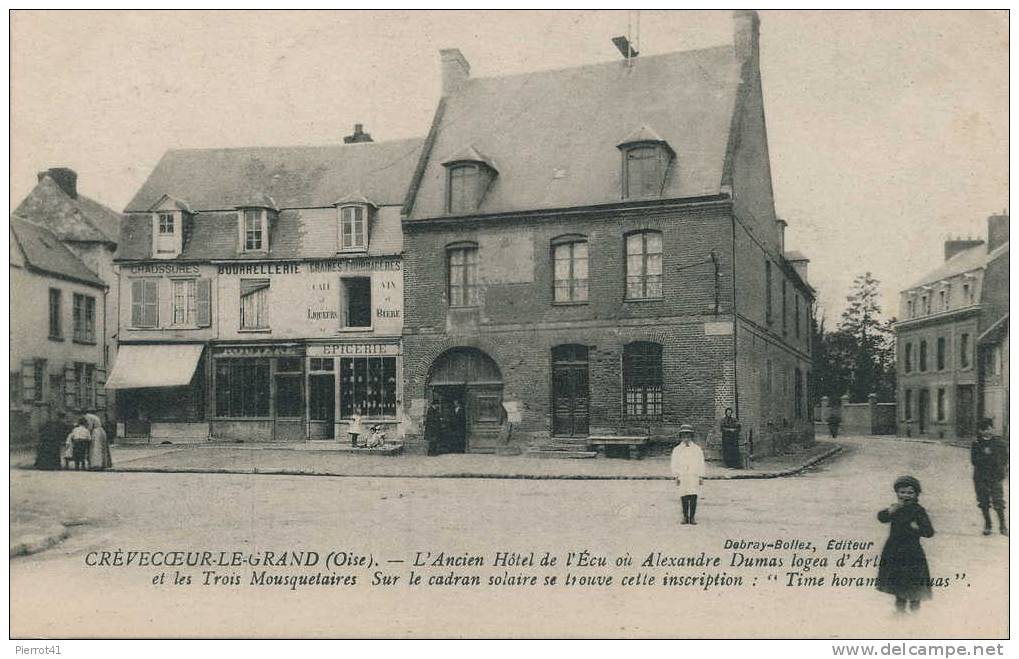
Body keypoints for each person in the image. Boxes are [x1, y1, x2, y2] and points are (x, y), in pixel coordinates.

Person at [876, 475, 935, 614]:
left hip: (912, 551)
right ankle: (900, 608)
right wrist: (889, 511)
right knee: (898, 579)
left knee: (914, 579)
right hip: (894, 550)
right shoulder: (895, 508)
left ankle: (915, 608)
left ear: (916, 495)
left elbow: (929, 532)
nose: (905, 496)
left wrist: (917, 529)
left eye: (910, 493)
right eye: (902, 492)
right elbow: (882, 518)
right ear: (897, 493)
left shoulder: (918, 511)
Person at [971, 418, 1008, 536]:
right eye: (983, 429)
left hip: (995, 476)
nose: (987, 431)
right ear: (980, 431)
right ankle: (988, 525)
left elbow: (1004, 459)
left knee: (998, 501)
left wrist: (1002, 470)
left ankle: (1003, 526)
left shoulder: (999, 443)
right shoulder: (977, 443)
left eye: (988, 428)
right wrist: (987, 457)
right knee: (983, 501)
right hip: (980, 477)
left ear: (992, 429)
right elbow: (974, 460)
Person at [670, 424, 706, 525]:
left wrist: (701, 476)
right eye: (684, 436)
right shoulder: (677, 450)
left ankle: (692, 517)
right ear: (681, 437)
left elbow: (701, 462)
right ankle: (685, 517)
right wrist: (676, 476)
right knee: (684, 496)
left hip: (693, 475)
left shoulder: (697, 449)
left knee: (693, 495)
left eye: (688, 436)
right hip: (683, 476)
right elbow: (674, 463)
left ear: (691, 436)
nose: (686, 438)